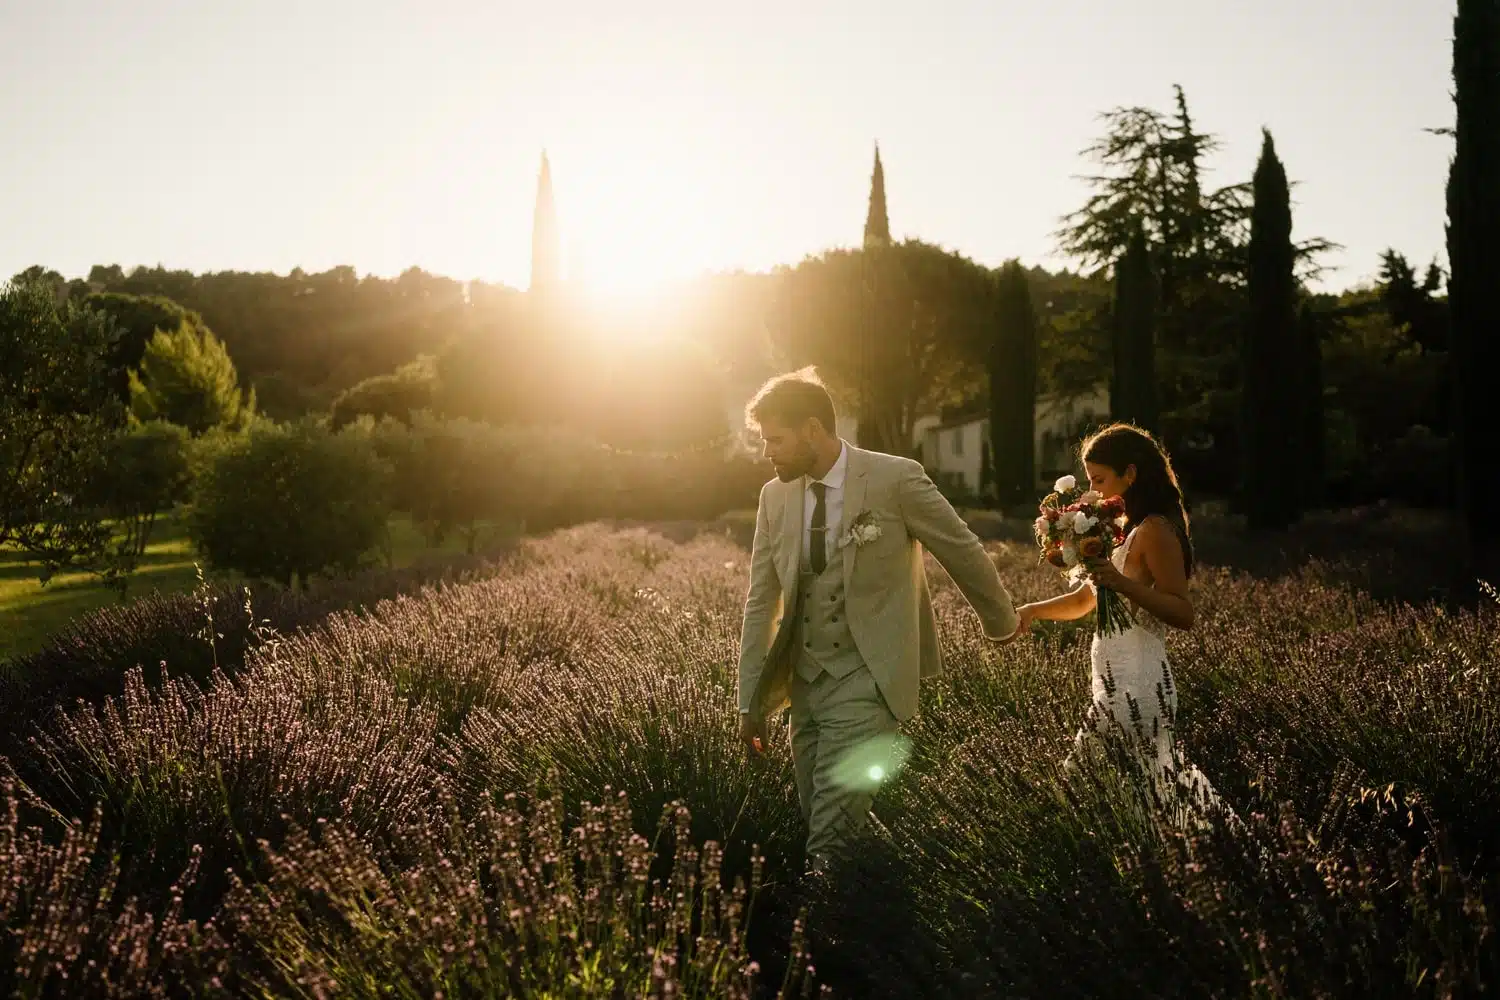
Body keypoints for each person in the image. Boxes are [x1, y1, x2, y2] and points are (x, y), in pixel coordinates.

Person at [735, 367, 1020, 875]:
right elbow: (761, 602)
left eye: (774, 439)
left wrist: (1002, 622)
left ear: (813, 430)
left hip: (869, 677)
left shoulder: (895, 478)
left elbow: (959, 548)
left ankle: (821, 921)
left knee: (830, 835)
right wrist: (749, 701)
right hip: (804, 685)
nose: (766, 452)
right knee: (822, 818)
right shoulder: (773, 497)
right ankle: (873, 902)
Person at [1002, 423, 1225, 822]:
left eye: (1100, 480)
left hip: (1140, 683)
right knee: (1147, 801)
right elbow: (1085, 600)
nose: (1093, 490)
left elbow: (1183, 612)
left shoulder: (1155, 530)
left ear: (1130, 474)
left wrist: (1121, 583)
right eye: (1089, 480)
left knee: (1101, 793)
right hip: (1112, 683)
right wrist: (1033, 610)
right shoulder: (1126, 530)